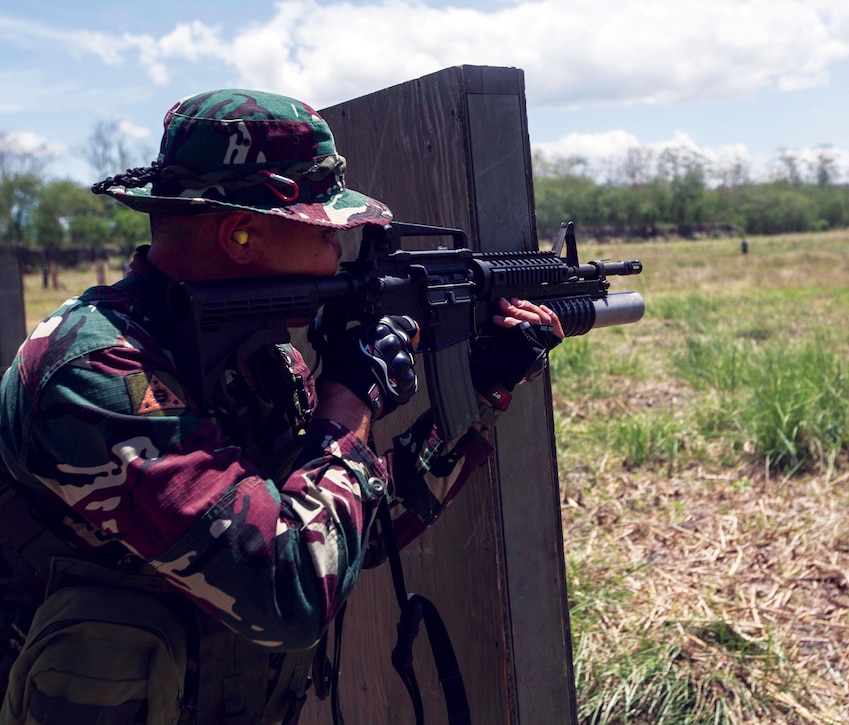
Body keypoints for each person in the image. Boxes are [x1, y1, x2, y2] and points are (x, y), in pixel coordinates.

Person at [0, 89, 562, 725]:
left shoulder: (262, 360)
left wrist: (481, 392)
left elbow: (343, 537)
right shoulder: (99, 374)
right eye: (326, 231)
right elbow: (286, 592)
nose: (338, 252)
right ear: (241, 233)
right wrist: (349, 398)